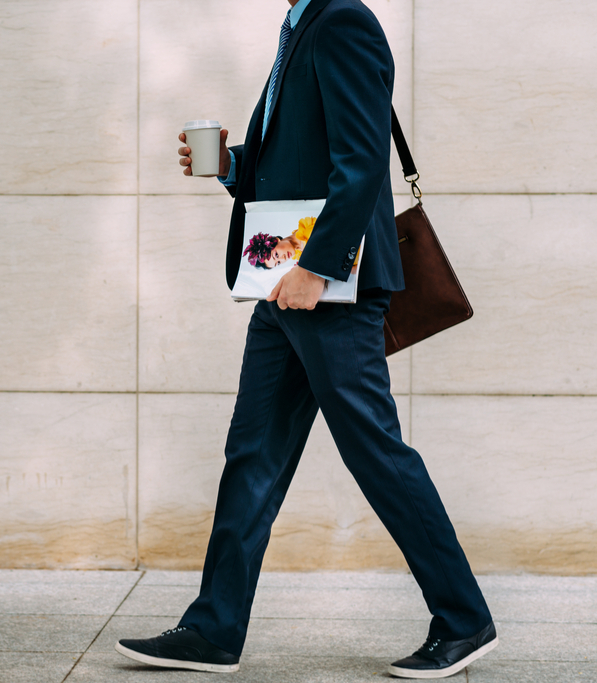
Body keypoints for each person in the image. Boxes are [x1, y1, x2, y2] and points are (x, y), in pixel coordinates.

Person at [114, 0, 498, 678]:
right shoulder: (301, 25)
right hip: (282, 285)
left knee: (375, 451)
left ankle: (465, 619)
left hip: (326, 289)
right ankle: (213, 629)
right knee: (253, 453)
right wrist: (232, 165)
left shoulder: (343, 22)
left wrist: (318, 268)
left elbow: (360, 160)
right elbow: (300, 159)